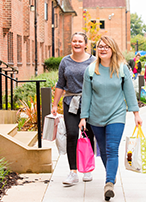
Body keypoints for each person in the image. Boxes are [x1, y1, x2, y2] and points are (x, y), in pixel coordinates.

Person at [78, 35, 142, 201]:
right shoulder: (91, 70)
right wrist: (83, 117)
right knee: (104, 149)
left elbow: (129, 93)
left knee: (112, 148)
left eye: (106, 46)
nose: (103, 49)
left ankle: (108, 183)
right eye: (100, 46)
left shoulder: (122, 69)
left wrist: (136, 113)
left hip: (117, 114)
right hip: (96, 116)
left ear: (112, 49)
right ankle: (111, 175)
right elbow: (86, 95)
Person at [51, 32, 96, 186]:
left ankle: (88, 168)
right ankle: (73, 171)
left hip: (89, 103)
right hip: (70, 103)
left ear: (85, 44)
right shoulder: (65, 61)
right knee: (71, 134)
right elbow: (60, 84)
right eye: (74, 41)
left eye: (80, 41)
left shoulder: (93, 61)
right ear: (71, 43)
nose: (77, 44)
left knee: (88, 134)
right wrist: (55, 104)